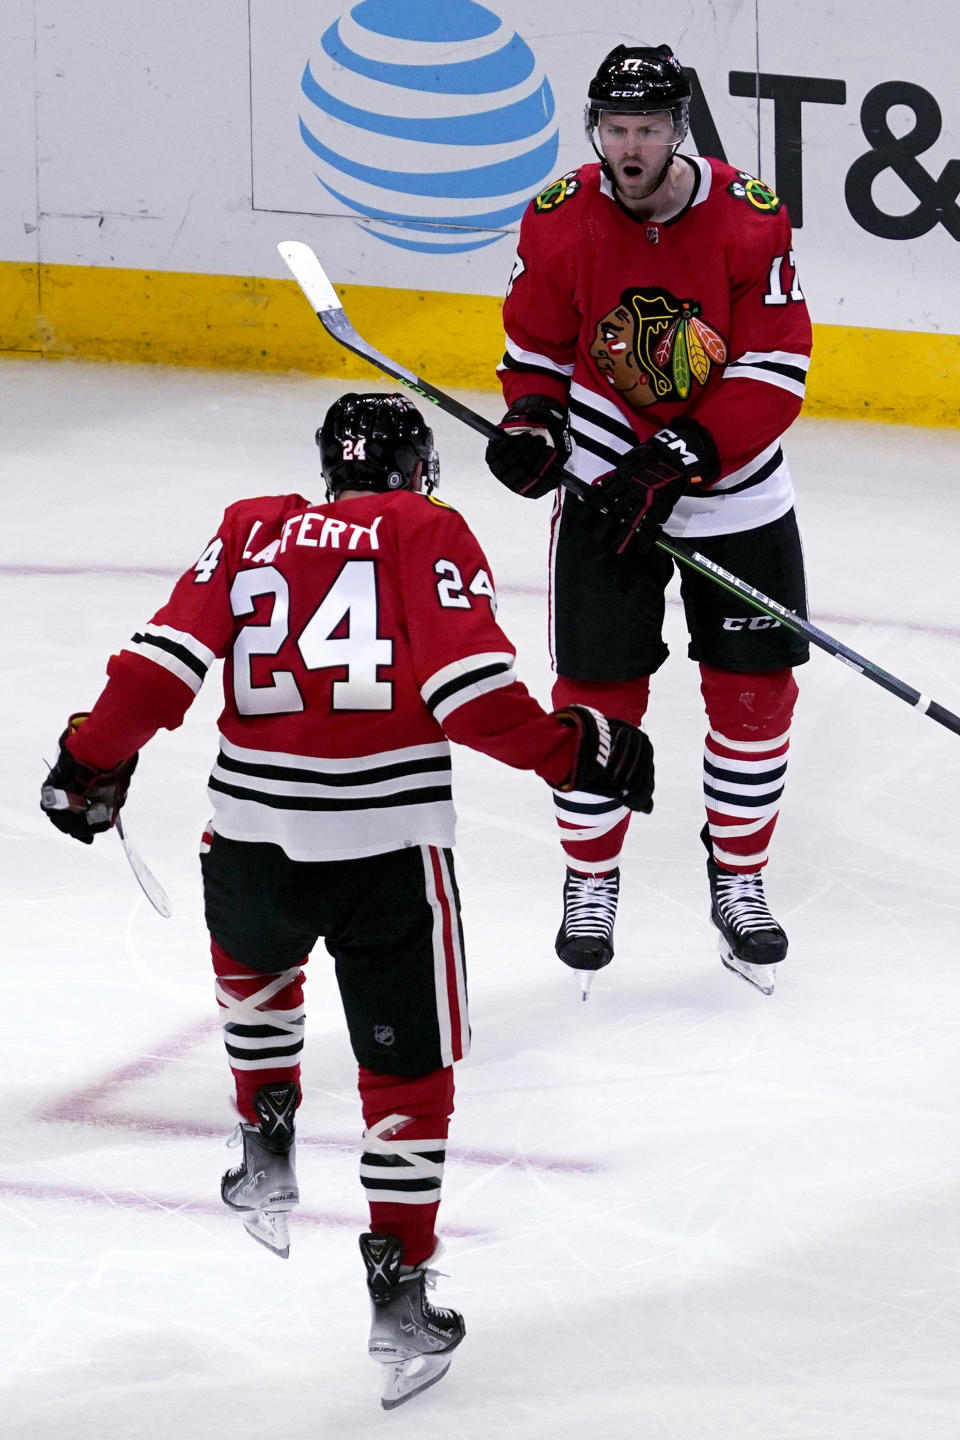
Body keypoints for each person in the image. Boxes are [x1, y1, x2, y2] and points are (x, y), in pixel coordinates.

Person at [40, 391, 654, 1409]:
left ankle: (265, 1137)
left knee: (257, 964)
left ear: (329, 468)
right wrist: (575, 748)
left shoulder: (251, 527)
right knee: (407, 1076)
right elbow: (469, 695)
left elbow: (158, 671)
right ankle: (399, 1298)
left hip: (248, 845)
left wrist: (87, 755)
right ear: (418, 469)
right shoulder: (428, 528)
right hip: (386, 857)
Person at [485, 42, 812, 997]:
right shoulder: (558, 219)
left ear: (680, 130)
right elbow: (535, 350)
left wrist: (679, 457)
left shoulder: (750, 221)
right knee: (595, 696)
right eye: (616, 129)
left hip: (735, 493)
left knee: (754, 699)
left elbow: (775, 370)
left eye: (649, 129)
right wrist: (532, 423)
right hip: (602, 489)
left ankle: (739, 875)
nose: (631, 149)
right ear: (599, 129)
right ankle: (590, 882)